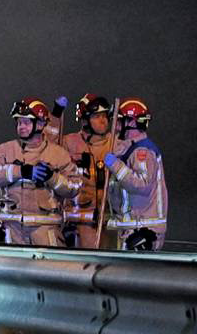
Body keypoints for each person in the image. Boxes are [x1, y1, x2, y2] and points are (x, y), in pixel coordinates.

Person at [0, 98, 79, 246]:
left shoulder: (58, 154)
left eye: (26, 122)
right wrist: (21, 171)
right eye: (19, 122)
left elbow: (74, 187)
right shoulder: (4, 150)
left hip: (45, 231)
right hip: (10, 229)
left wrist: (52, 177)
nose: (21, 127)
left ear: (40, 124)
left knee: (49, 268)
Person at [101, 98, 168, 251]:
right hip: (132, 227)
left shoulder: (142, 151)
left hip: (143, 230)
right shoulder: (128, 148)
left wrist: (116, 166)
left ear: (131, 122)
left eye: (119, 120)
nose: (115, 125)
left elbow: (142, 184)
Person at [59, 94, 115, 249]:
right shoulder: (68, 143)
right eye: (97, 116)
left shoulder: (115, 145)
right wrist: (56, 114)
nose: (103, 120)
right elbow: (45, 149)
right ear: (84, 120)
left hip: (106, 222)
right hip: (75, 222)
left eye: (104, 116)